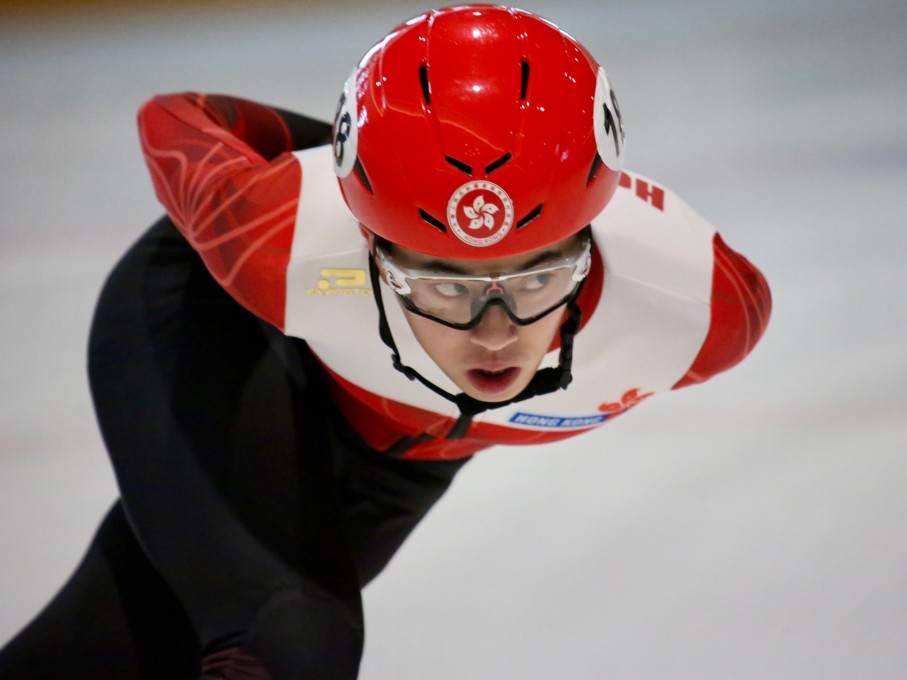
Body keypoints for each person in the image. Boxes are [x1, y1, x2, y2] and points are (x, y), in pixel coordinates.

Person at [0, 5, 770, 679]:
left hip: (394, 461)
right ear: (372, 253)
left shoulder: (697, 314)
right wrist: (355, 163)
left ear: (590, 243)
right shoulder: (284, 243)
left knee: (109, 653)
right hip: (218, 330)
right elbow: (176, 118)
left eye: (538, 280)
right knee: (295, 643)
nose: (492, 333)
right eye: (443, 285)